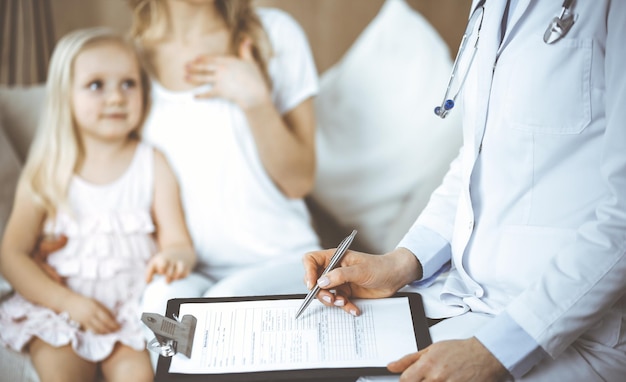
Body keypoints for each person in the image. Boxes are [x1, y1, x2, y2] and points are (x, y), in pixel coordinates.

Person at [303, 1, 626, 381]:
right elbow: (477, 159)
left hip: (573, 333)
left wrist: (494, 350)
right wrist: (401, 263)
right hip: (470, 304)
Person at [0, 27, 196, 382]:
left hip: (130, 312)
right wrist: (69, 304)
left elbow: (179, 242)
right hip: (61, 310)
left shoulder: (153, 164)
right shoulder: (48, 169)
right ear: (65, 95)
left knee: (137, 375)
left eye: (128, 83)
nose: (116, 98)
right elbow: (11, 254)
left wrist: (174, 260)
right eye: (96, 85)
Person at [127, 0, 321, 315]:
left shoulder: (273, 34)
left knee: (227, 300)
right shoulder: (130, 61)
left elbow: (299, 181)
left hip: (284, 260)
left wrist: (256, 101)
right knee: (158, 305)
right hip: (191, 269)